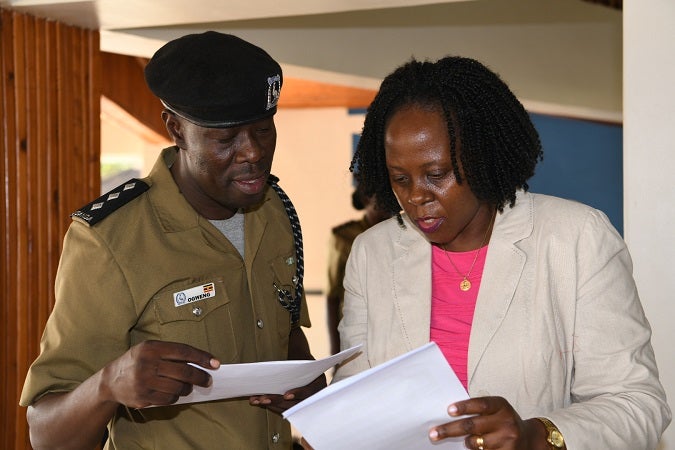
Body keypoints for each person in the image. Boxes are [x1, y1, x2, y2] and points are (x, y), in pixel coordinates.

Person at [332, 56, 671, 449]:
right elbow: (354, 396)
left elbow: (638, 404)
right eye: (399, 179)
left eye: (437, 174)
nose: (416, 196)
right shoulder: (372, 253)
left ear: (480, 155)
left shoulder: (576, 238)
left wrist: (538, 435)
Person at [20, 31, 326, 449]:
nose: (253, 152)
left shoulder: (275, 212)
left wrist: (306, 381)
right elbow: (45, 435)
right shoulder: (111, 240)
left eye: (263, 131)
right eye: (226, 139)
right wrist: (108, 385)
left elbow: (285, 329)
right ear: (176, 128)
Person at [325, 185, 391, 355]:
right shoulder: (344, 237)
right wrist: (335, 351)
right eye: (382, 196)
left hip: (391, 331)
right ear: (365, 199)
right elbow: (333, 297)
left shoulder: (402, 233)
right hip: (356, 332)